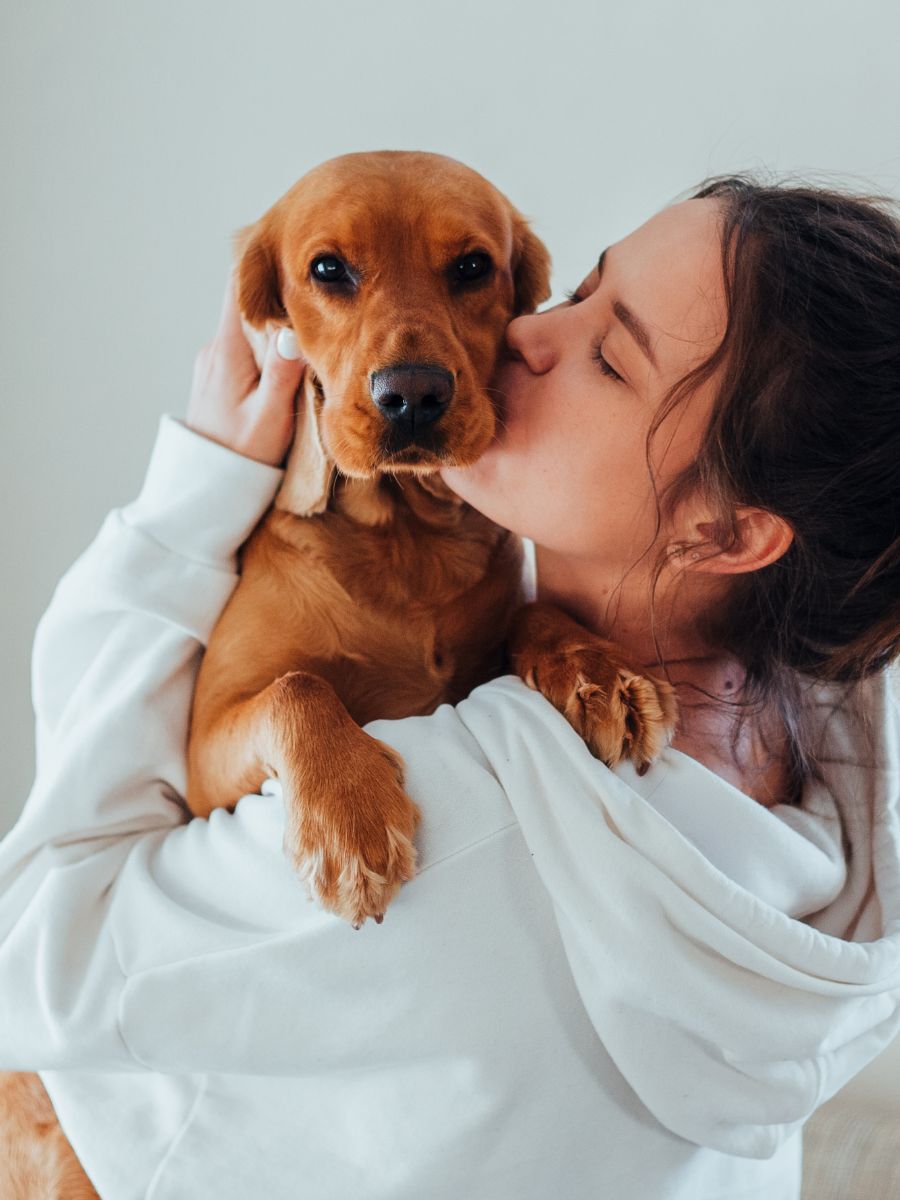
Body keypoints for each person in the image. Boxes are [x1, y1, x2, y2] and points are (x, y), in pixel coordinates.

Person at [1, 174, 899, 1200]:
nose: (523, 338)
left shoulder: (461, 820)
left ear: (730, 532)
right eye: (579, 291)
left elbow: (32, 958)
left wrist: (187, 502)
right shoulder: (831, 767)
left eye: (609, 357)